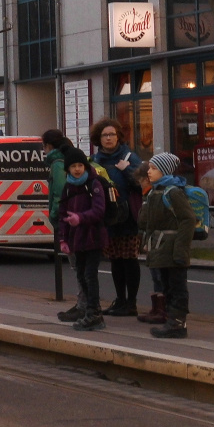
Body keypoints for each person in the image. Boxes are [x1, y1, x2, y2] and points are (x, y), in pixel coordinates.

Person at [90, 117, 144, 316]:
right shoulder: (95, 161)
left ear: (118, 136)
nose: (108, 138)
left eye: (112, 134)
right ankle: (120, 300)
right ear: (98, 138)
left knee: (129, 259)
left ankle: (131, 303)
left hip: (128, 217)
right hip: (109, 217)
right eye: (104, 135)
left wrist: (126, 169)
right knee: (115, 260)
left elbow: (143, 183)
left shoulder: (130, 157)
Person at [138, 152, 195, 339]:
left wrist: (181, 249)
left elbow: (188, 220)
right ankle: (172, 320)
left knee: (176, 286)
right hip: (161, 246)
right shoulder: (155, 191)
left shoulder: (173, 192)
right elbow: (147, 223)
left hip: (171, 247)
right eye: (150, 168)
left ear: (165, 171)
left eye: (154, 168)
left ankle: (178, 323)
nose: (149, 172)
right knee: (167, 285)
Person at [59, 148, 109, 331]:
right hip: (76, 239)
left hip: (93, 236)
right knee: (81, 274)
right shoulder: (68, 187)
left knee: (90, 275)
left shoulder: (93, 184)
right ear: (68, 169)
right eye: (73, 166)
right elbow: (62, 214)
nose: (77, 169)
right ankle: (91, 311)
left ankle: (95, 313)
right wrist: (63, 239)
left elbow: (99, 210)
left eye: (80, 165)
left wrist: (80, 218)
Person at [43, 129, 84, 323]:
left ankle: (84, 306)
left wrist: (54, 217)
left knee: (79, 266)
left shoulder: (58, 165)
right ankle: (85, 304)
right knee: (81, 266)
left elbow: (60, 194)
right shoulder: (66, 161)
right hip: (75, 219)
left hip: (68, 221)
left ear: (48, 146)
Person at [130, 162, 166, 324]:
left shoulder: (154, 195)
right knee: (155, 275)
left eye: (141, 180)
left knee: (160, 275)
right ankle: (158, 308)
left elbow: (150, 221)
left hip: (157, 241)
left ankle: (162, 310)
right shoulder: (148, 195)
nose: (140, 184)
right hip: (152, 241)